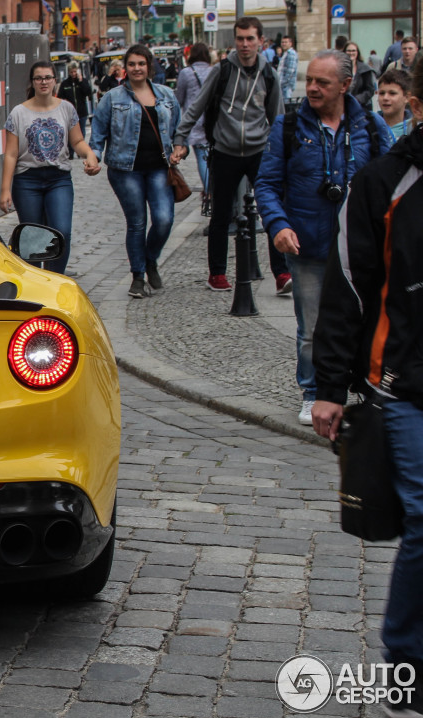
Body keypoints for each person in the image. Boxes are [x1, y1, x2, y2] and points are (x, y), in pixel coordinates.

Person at [310, 62, 423, 718]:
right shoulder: (384, 181)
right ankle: (406, 664)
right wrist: (329, 387)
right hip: (404, 384)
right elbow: (348, 288)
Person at [255, 50, 393, 425]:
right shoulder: (288, 127)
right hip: (309, 246)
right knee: (312, 327)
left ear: (345, 86)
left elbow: (394, 182)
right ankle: (313, 392)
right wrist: (278, 225)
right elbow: (266, 184)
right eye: (310, 80)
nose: (312, 88)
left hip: (360, 249)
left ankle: (364, 387)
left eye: (322, 82)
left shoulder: (370, 126)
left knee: (366, 321)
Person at [171, 17, 289, 294]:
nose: (245, 44)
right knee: (221, 215)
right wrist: (180, 137)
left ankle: (282, 272)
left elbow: (278, 116)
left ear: (260, 40)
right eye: (240, 38)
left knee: (273, 210)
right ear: (234, 40)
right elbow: (197, 107)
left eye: (250, 38)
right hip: (225, 151)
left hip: (259, 151)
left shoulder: (268, 74)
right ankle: (218, 273)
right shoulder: (222, 70)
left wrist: (283, 151)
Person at [90, 44, 181, 298]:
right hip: (124, 169)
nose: (137, 68)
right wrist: (93, 157)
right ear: (125, 68)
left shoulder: (166, 95)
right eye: (132, 64)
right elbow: (98, 134)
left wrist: (180, 148)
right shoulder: (112, 98)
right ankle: (138, 276)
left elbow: (180, 128)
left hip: (160, 168)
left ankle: (150, 259)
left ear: (148, 66)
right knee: (137, 222)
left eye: (141, 64)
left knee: (164, 219)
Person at [0, 61, 101, 275]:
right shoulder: (18, 113)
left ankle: (56, 278)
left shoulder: (66, 109)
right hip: (27, 179)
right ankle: (35, 282)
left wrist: (90, 154)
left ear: (55, 80)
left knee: (61, 231)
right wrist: (5, 189)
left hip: (59, 179)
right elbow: (11, 153)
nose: (43, 82)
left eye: (47, 77)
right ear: (33, 82)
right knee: (32, 235)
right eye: (39, 78)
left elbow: (78, 141)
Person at [175, 43, 215, 198]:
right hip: (212, 118)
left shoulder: (186, 73)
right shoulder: (214, 71)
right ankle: (213, 189)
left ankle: (209, 192)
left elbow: (180, 97)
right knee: (212, 158)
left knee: (202, 158)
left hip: (195, 118)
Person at [58, 61, 93, 140]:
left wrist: (81, 82)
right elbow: (60, 96)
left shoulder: (83, 81)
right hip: (70, 113)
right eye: (71, 72)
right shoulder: (65, 84)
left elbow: (88, 92)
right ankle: (72, 150)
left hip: (82, 112)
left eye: (75, 71)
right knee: (71, 133)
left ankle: (80, 150)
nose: (73, 74)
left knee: (82, 132)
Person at [378, 68, 414, 140]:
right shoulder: (369, 126)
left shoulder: (414, 129)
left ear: (407, 97)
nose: (385, 98)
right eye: (382, 93)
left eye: (392, 93)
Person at [346, 42, 378, 109]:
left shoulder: (365, 69)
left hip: (362, 106)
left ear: (357, 52)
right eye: (348, 51)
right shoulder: (339, 68)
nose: (351, 53)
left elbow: (370, 90)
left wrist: (357, 99)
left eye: (353, 51)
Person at [279, 36, 299, 100]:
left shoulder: (291, 53)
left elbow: (290, 71)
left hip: (286, 86)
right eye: (282, 42)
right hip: (283, 85)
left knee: (286, 105)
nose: (284, 44)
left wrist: (283, 82)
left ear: (290, 43)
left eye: (285, 42)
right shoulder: (286, 53)